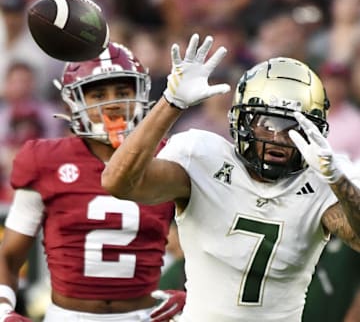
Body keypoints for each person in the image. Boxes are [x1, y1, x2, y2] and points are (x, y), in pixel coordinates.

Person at [101, 34, 360, 322]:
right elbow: (118, 182)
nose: (278, 138)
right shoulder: (202, 156)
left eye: (293, 127)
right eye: (267, 123)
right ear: (242, 121)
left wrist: (338, 180)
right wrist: (170, 103)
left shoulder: (326, 177)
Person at [0, 42, 185, 321]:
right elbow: (10, 257)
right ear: (75, 102)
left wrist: (193, 295)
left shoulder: (171, 156)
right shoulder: (46, 160)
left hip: (146, 315)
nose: (112, 103)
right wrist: (3, 310)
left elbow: (211, 249)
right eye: (98, 94)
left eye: (123, 92)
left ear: (141, 94)